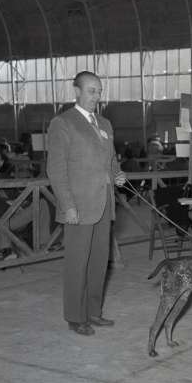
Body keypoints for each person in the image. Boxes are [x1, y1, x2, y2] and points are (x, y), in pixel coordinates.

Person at [47, 71, 126, 336]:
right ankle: (75, 316)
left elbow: (111, 160)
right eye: (92, 90)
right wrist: (67, 205)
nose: (97, 96)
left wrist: (117, 174)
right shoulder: (62, 123)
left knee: (99, 262)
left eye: (99, 91)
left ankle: (93, 312)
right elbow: (56, 169)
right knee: (77, 263)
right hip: (78, 207)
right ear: (77, 91)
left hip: (104, 203)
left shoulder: (105, 123)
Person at [0, 148, 52, 260]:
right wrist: (10, 204)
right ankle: (6, 249)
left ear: (1, 163)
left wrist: (22, 203)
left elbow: (16, 196)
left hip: (13, 218)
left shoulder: (6, 177)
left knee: (41, 203)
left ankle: (43, 245)